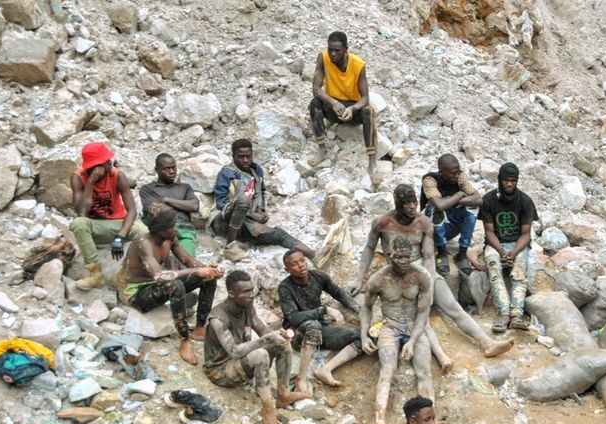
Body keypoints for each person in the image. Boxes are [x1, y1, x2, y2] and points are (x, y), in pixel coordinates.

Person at [350, 184, 513, 359]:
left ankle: (487, 343)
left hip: (421, 270)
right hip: (395, 276)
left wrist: (428, 284)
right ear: (398, 204)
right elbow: (369, 248)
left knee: (452, 306)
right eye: (407, 203)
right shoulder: (382, 223)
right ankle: (439, 357)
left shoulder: (423, 223)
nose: (413, 206)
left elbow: (428, 256)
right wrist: (359, 279)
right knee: (417, 321)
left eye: (414, 201)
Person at [204, 270, 310, 424]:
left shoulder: (247, 306)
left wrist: (278, 336)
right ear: (231, 293)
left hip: (241, 360)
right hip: (220, 371)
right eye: (245, 292)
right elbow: (234, 351)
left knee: (283, 345)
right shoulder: (218, 319)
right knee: (260, 354)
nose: (251, 295)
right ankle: (267, 410)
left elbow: (263, 330)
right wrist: (266, 339)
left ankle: (284, 394)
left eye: (252, 290)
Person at [119, 203, 224, 365]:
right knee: (176, 286)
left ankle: (199, 327)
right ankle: (184, 340)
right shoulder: (144, 243)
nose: (175, 229)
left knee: (208, 277)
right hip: (136, 292)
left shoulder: (170, 238)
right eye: (171, 226)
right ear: (160, 230)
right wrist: (195, 272)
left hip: (156, 285)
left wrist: (207, 268)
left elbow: (187, 260)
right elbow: (159, 277)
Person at [361, 236, 433, 424]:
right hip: (390, 327)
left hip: (413, 326)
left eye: (406, 257)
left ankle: (428, 422)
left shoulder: (421, 276)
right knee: (387, 369)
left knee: (424, 371)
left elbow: (423, 311)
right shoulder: (378, 279)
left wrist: (413, 341)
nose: (403, 261)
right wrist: (364, 335)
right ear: (389, 255)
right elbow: (366, 308)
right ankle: (380, 420)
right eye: (398, 257)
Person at [212, 138, 315, 261]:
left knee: (277, 234)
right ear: (233, 156)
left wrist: (261, 210)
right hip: (225, 221)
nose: (245, 160)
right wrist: (252, 214)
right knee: (243, 200)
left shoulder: (256, 171)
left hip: (245, 222)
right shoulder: (227, 173)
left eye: (248, 156)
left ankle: (314, 255)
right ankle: (230, 247)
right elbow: (221, 203)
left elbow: (260, 191)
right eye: (240, 157)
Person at [278, 249, 362, 393]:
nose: (301, 265)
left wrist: (359, 310)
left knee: (362, 336)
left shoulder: (318, 276)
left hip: (319, 329)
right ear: (287, 269)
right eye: (294, 264)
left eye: (302, 260)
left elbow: (338, 293)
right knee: (313, 324)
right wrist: (324, 310)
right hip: (297, 333)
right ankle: (301, 379)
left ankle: (325, 369)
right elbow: (292, 317)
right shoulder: (285, 287)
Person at [69, 141, 148, 290]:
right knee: (78, 223)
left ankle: (126, 273)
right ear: (95, 166)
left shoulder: (117, 175)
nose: (110, 162)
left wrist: (120, 236)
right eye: (105, 161)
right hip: (95, 226)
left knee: (143, 232)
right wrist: (91, 182)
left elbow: (131, 210)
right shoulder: (78, 178)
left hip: (118, 224)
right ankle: (95, 274)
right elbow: (81, 212)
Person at [478, 162, 538, 333]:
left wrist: (513, 252)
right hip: (496, 244)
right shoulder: (488, 200)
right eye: (506, 180)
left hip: (517, 244)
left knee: (519, 272)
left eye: (513, 180)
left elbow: (526, 234)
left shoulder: (525, 201)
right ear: (499, 180)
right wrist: (502, 252)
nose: (509, 184)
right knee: (494, 271)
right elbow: (489, 232)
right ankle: (504, 314)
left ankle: (516, 315)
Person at [309, 31, 377, 177]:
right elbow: (316, 89)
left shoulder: (358, 64)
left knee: (368, 111)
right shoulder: (323, 58)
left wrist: (353, 108)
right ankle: (322, 150)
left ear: (346, 49)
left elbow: (365, 97)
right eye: (330, 49)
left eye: (337, 50)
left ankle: (372, 162)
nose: (332, 53)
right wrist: (333, 102)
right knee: (314, 103)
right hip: (333, 105)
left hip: (352, 107)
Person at [420, 154, 482, 275]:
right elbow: (440, 205)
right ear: (441, 172)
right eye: (453, 173)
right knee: (435, 209)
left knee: (472, 209)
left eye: (457, 171)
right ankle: (441, 253)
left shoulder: (460, 177)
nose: (456, 175)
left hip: (451, 224)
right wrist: (458, 195)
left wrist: (452, 200)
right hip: (430, 227)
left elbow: (478, 199)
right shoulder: (429, 180)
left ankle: (462, 254)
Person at [139, 153, 200, 257]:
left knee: (185, 262)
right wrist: (182, 205)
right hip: (161, 231)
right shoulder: (147, 189)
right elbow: (153, 209)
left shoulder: (184, 187)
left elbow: (194, 206)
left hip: (184, 230)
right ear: (157, 170)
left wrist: (166, 200)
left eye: (173, 167)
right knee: (159, 264)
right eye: (166, 168)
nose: (171, 171)